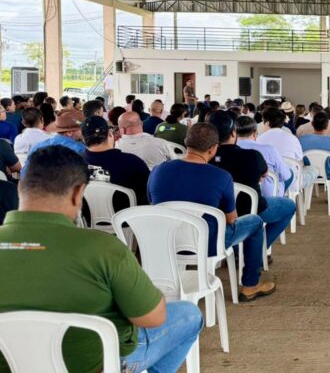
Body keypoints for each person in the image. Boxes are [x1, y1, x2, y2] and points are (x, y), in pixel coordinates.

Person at [0, 145, 203, 372]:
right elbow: (152, 318)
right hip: (98, 365)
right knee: (189, 315)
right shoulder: (103, 248)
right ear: (78, 193)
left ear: (19, 187)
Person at [148, 123, 276, 301]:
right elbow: (232, 219)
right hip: (207, 243)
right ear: (213, 148)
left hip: (165, 239)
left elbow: (153, 204)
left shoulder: (158, 170)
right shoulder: (221, 176)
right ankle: (250, 284)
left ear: (186, 143)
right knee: (255, 223)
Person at [206, 111, 294, 248]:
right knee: (289, 206)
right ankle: (260, 248)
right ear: (233, 133)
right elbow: (266, 175)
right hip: (251, 208)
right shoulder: (253, 155)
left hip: (216, 211)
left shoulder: (206, 157)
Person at [82, 116, 150, 209]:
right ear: (110, 134)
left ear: (83, 139)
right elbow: (148, 196)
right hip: (126, 220)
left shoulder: (72, 164)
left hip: (86, 222)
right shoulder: (133, 163)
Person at [236, 116, 294, 199]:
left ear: (234, 133)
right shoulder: (268, 149)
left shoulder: (227, 150)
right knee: (288, 174)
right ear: (255, 133)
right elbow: (285, 175)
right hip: (266, 198)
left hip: (233, 200)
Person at [299, 111, 330, 179]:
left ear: (312, 124)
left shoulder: (301, 140)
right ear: (327, 126)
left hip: (308, 174)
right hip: (328, 174)